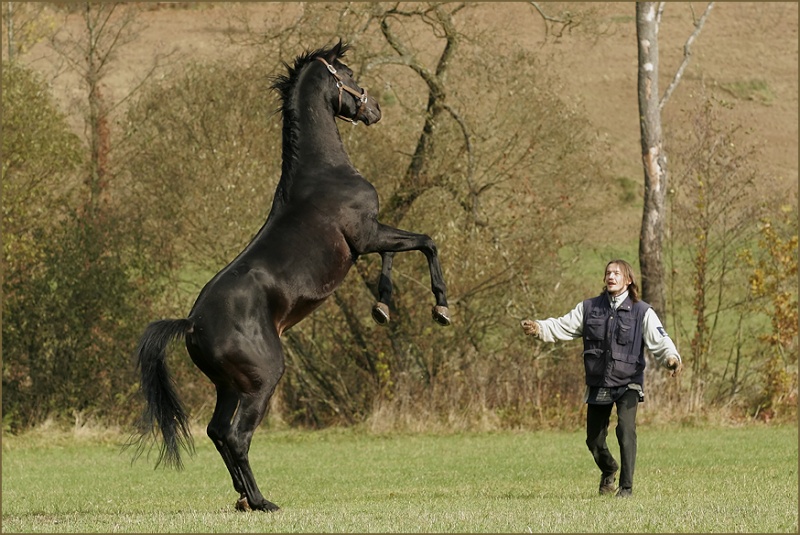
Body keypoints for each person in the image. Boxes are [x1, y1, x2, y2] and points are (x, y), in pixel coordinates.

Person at [521, 259, 681, 498]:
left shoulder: (642, 311)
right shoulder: (589, 308)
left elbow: (660, 339)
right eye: (608, 273)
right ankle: (609, 469)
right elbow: (563, 325)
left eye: (617, 273)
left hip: (628, 381)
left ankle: (626, 488)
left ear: (628, 280)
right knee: (593, 440)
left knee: (625, 432)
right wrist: (539, 328)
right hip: (599, 381)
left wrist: (671, 357)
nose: (611, 276)